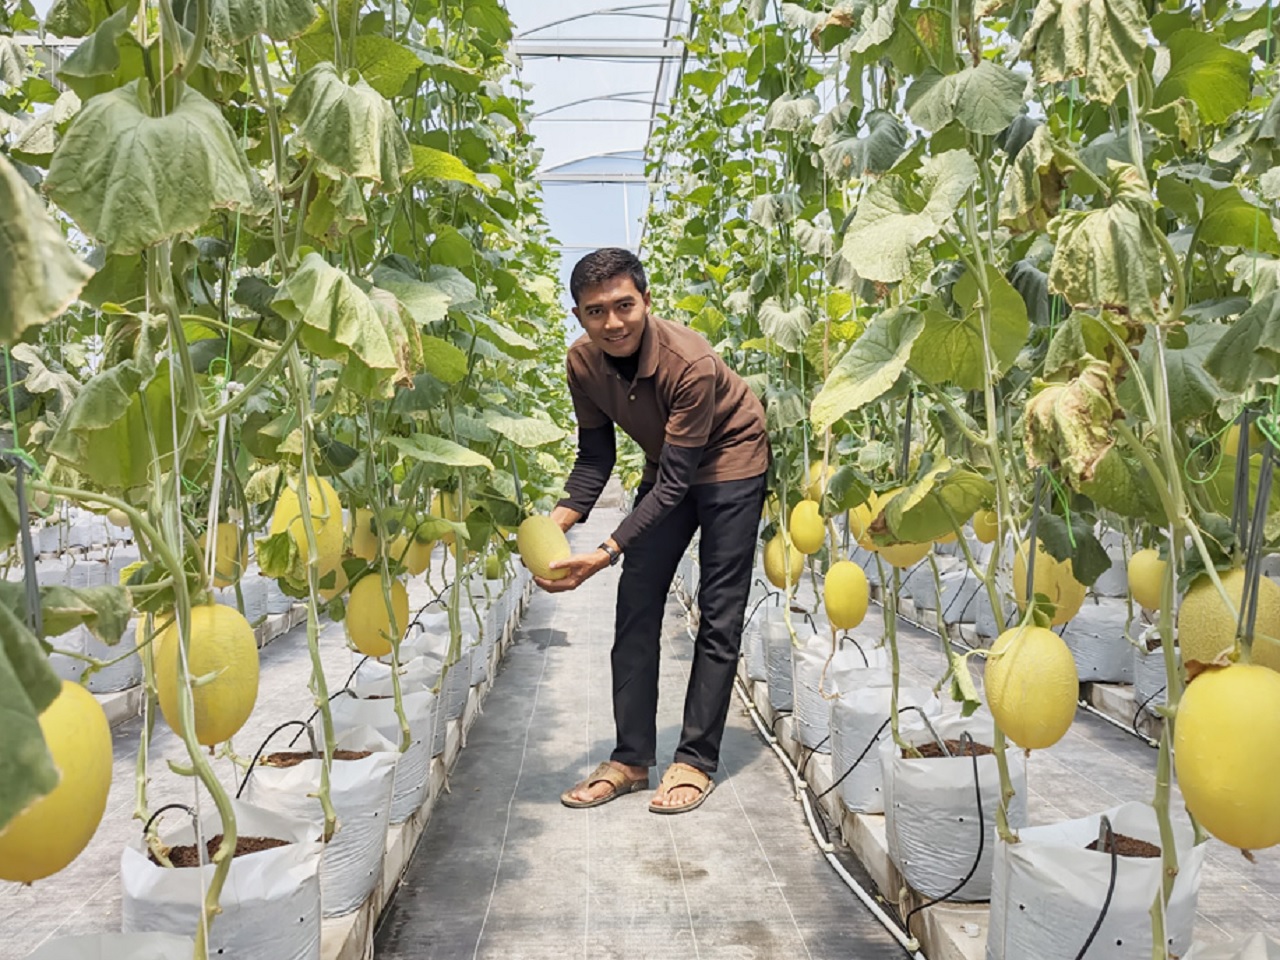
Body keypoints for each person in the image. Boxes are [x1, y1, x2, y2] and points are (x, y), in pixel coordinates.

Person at [533, 248, 771, 815]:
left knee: (719, 609)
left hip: (732, 461)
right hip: (672, 463)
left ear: (646, 301)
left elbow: (677, 485)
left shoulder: (691, 362)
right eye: (596, 312)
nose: (612, 323)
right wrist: (554, 526)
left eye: (623, 306)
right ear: (579, 315)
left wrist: (606, 550)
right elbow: (594, 459)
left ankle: (694, 759)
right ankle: (631, 759)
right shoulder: (582, 364)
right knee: (636, 601)